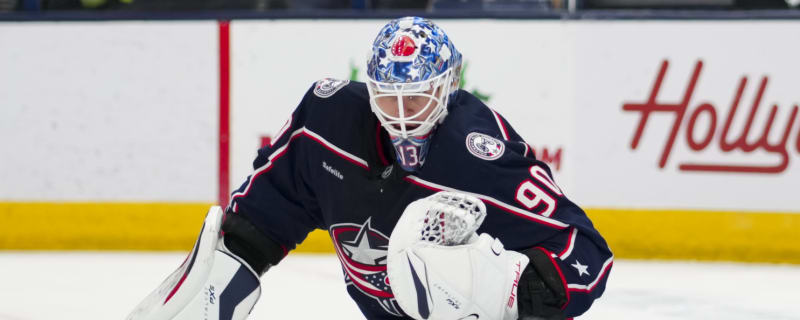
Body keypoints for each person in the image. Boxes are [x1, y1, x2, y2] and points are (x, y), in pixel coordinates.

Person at [127, 16, 612, 320]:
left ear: (451, 85)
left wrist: (509, 291)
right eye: (388, 95)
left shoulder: (477, 152)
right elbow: (266, 214)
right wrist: (223, 270)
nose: (402, 113)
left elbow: (588, 256)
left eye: (418, 95)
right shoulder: (328, 121)